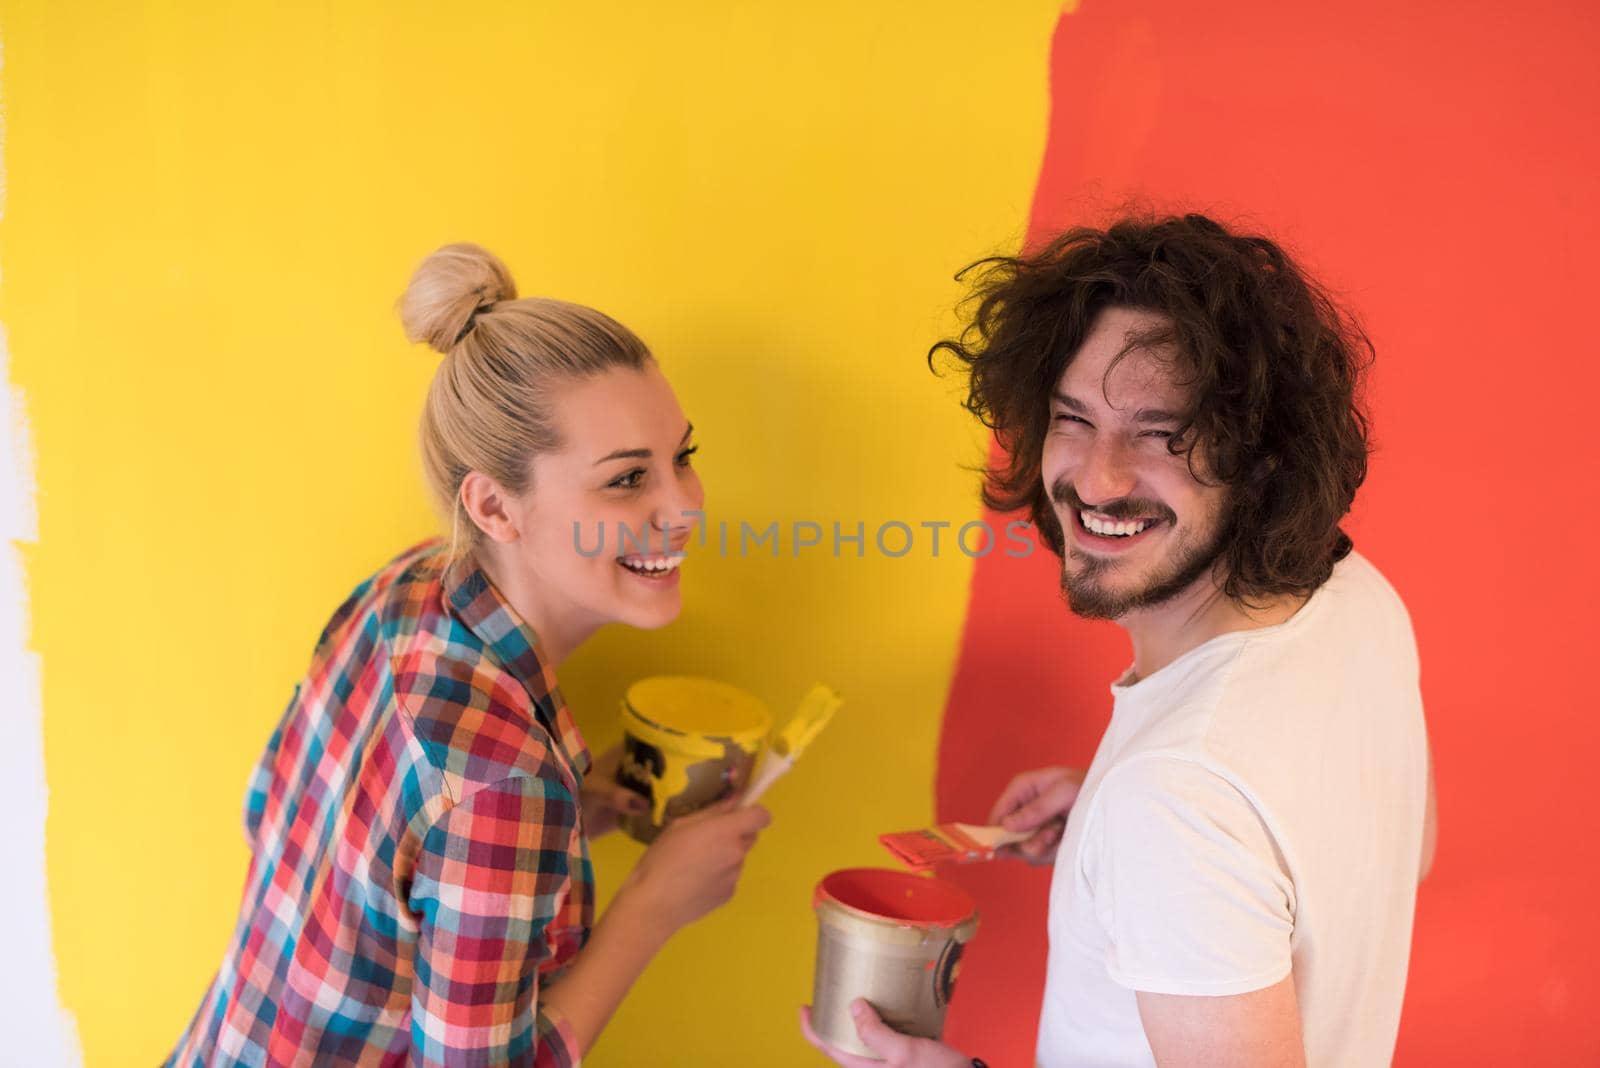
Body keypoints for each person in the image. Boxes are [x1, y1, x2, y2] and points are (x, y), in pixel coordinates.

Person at [802, 214, 1436, 1067]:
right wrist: (1122, 824)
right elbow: (1399, 849)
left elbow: (1202, 797)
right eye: (1072, 419)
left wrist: (1158, 828)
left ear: (1262, 460)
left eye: (1157, 433)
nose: (1096, 478)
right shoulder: (1355, 599)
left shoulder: (1175, 797)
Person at [166, 243, 771, 1067]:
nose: (685, 509)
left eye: (683, 458)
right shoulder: (505, 781)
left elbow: (297, 820)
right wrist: (655, 903)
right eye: (628, 480)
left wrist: (572, 818)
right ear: (493, 505)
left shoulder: (406, 587)